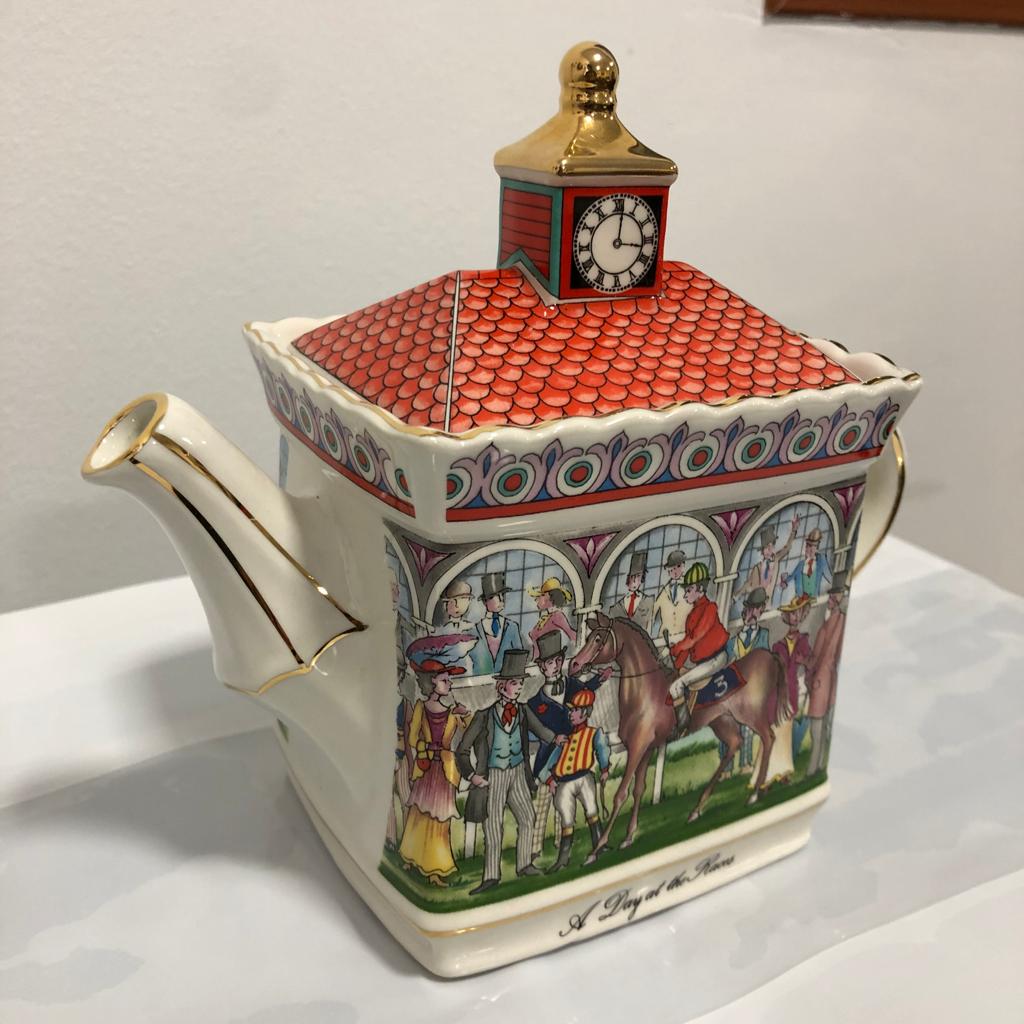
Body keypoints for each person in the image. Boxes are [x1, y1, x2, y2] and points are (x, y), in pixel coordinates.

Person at [455, 649, 562, 895]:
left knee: (527, 817)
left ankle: (524, 864)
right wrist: (472, 776)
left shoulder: (522, 710)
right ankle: (491, 876)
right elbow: (462, 750)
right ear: (502, 686)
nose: (519, 688)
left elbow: (540, 730)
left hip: (517, 771)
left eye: (521, 683)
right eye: (515, 683)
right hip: (493, 775)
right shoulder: (484, 716)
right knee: (493, 826)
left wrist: (556, 738)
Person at [397, 633, 475, 886]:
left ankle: (435, 869)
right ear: (432, 683)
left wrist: (467, 715)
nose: (449, 683)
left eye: (449, 679)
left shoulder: (453, 712)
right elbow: (412, 737)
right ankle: (411, 857)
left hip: (445, 771)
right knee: (419, 813)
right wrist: (424, 750)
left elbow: (471, 732)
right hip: (426, 768)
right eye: (444, 680)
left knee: (440, 819)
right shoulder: (421, 707)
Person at [527, 630, 611, 859]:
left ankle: (561, 845)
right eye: (549, 663)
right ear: (541, 667)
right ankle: (534, 849)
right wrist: (551, 738)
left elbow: (586, 691)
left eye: (557, 660)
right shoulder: (535, 702)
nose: (554, 666)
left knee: (565, 809)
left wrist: (600, 679)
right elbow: (531, 731)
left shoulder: (571, 685)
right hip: (549, 758)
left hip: (572, 757)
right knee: (543, 806)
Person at [538, 690, 611, 872]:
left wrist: (604, 769)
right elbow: (549, 764)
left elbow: (602, 750)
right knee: (567, 819)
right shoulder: (565, 739)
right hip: (564, 783)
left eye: (575, 710)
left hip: (584, 777)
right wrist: (549, 780)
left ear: (585, 713)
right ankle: (563, 859)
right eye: (570, 711)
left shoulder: (593, 733)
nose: (571, 714)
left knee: (592, 811)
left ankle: (600, 845)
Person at [750, 594, 810, 788]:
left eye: (798, 613)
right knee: (772, 732)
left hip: (791, 692)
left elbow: (811, 662)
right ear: (786, 617)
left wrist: (803, 661)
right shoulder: (778, 645)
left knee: (785, 734)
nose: (795, 617)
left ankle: (783, 771)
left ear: (803, 615)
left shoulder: (803, 641)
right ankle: (765, 776)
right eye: (792, 614)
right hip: (776, 696)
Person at [720, 586, 771, 776]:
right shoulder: (732, 642)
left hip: (752, 693)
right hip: (733, 693)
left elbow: (765, 665)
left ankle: (746, 763)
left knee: (748, 728)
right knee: (727, 727)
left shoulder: (764, 636)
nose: (753, 614)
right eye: (750, 609)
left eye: (757, 609)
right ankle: (726, 768)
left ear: (762, 610)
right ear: (744, 613)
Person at [669, 562, 730, 699]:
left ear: (700, 589)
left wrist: (675, 649)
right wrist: (676, 666)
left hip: (715, 659)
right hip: (702, 663)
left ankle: (684, 714)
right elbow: (687, 647)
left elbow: (694, 638)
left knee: (676, 686)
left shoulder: (710, 608)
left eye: (689, 590)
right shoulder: (691, 616)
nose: (685, 595)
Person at [807, 574, 847, 775]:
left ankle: (813, 767)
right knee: (824, 726)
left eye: (833, 596)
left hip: (821, 681)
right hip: (830, 678)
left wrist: (804, 662)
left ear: (839, 597)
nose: (829, 599)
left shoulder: (831, 624)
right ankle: (819, 764)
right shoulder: (839, 621)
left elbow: (816, 657)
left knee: (817, 726)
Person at [735, 514, 799, 609]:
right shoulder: (757, 567)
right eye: (766, 547)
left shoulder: (776, 560)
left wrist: (794, 531)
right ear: (762, 550)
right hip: (756, 604)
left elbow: (787, 548)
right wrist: (737, 595)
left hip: (767, 605)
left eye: (771, 546)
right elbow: (748, 584)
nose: (769, 550)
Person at [470, 571, 524, 676]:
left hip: (507, 679)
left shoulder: (512, 627)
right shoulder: (474, 631)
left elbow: (519, 657)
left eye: (502, 594)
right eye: (496, 596)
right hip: (481, 680)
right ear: (485, 601)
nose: (501, 599)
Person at [431, 578, 476, 673]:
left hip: (468, 669)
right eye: (451, 601)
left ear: (468, 602)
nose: (456, 605)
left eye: (462, 600)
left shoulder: (472, 628)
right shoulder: (441, 631)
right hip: (447, 670)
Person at [527, 577, 578, 659]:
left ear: (550, 598)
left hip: (548, 662)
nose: (536, 599)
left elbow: (571, 633)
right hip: (537, 661)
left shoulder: (557, 616)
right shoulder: (546, 618)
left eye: (542, 595)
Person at [608, 551, 654, 633]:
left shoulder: (649, 602)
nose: (634, 581)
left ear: (642, 577)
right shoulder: (615, 608)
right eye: (632, 577)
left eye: (638, 576)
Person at [782, 526, 832, 600]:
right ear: (806, 547)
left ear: (817, 548)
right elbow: (789, 579)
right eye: (809, 546)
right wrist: (784, 581)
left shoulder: (821, 561)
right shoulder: (801, 565)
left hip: (814, 601)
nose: (811, 549)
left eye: (814, 546)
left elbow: (830, 578)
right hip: (800, 601)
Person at [652, 550, 689, 646]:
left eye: (678, 567)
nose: (675, 572)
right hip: (665, 638)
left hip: (684, 636)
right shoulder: (665, 591)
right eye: (671, 570)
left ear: (683, 566)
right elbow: (653, 611)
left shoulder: (689, 588)